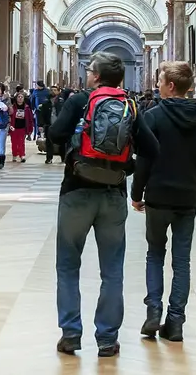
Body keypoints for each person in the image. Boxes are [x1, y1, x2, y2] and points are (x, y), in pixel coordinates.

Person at [47, 52, 158, 358]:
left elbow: (55, 134)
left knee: (68, 265)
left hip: (76, 191)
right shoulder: (130, 105)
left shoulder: (80, 101)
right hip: (113, 194)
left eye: (89, 70)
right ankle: (107, 339)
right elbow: (152, 148)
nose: (87, 74)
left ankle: (70, 334)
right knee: (112, 270)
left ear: (96, 76)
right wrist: (127, 165)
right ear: (120, 78)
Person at [131, 61, 196, 343]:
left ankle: (154, 311)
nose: (157, 85)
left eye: (160, 81)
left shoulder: (152, 117)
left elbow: (144, 159)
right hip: (187, 197)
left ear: (171, 86)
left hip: (158, 197)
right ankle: (175, 322)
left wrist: (136, 193)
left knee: (155, 254)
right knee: (182, 262)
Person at [8, 89, 33, 163]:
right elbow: (9, 116)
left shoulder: (27, 108)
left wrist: (30, 129)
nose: (20, 98)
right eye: (18, 97)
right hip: (14, 127)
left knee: (21, 142)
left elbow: (30, 118)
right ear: (16, 98)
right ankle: (14, 155)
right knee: (14, 142)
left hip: (22, 127)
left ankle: (22, 155)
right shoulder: (13, 107)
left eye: (22, 97)